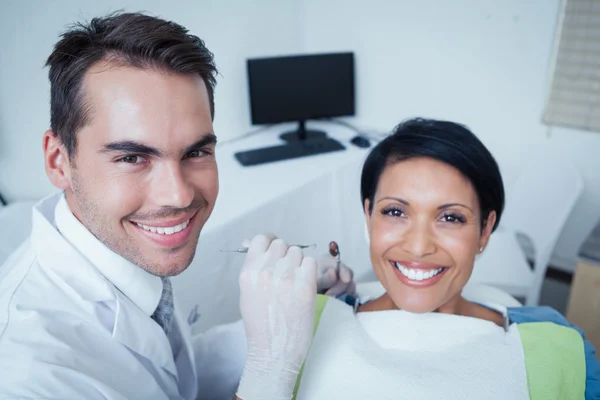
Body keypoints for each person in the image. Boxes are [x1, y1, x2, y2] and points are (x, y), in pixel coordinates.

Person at [0, 12, 354, 400]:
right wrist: (269, 371)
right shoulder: (26, 374)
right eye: (133, 158)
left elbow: (164, 374)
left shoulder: (113, 249)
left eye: (196, 151)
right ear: (58, 160)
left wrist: (277, 318)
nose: (179, 196)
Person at [289, 118, 599, 399]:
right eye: (395, 212)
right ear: (369, 216)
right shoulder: (297, 325)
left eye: (450, 217)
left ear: (485, 230)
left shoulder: (556, 347)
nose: (419, 246)